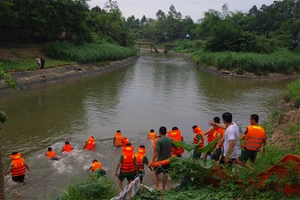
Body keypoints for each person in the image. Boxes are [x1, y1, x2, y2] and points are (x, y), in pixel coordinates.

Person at [150, 126, 174, 190]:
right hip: (168, 161)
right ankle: (163, 188)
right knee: (165, 174)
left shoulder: (159, 141)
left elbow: (157, 152)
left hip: (160, 161)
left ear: (159, 132)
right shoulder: (170, 140)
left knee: (155, 172)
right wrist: (171, 154)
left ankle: (157, 188)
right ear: (166, 132)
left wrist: (152, 160)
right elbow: (176, 148)